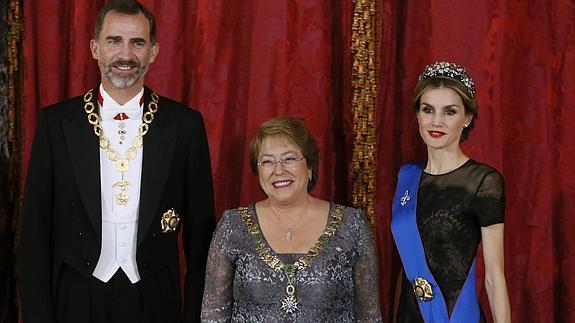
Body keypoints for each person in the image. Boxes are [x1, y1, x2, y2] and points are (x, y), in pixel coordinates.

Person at [18, 1, 215, 322]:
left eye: (137, 42)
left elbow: (201, 237)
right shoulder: (57, 122)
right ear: (95, 48)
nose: (125, 55)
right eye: (114, 41)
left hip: (155, 296)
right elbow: (35, 232)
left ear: (153, 52)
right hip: (76, 293)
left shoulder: (184, 125)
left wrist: (195, 313)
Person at [201, 117, 382, 322]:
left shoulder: (351, 225)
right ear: (257, 170)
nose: (279, 170)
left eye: (289, 159)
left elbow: (370, 316)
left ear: (310, 166)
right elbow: (212, 316)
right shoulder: (233, 226)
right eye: (267, 161)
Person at [391, 62, 511, 322]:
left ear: (467, 118)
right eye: (428, 110)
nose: (436, 121)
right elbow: (408, 267)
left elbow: (494, 276)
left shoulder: (483, 181)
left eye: (450, 112)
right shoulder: (406, 178)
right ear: (418, 115)